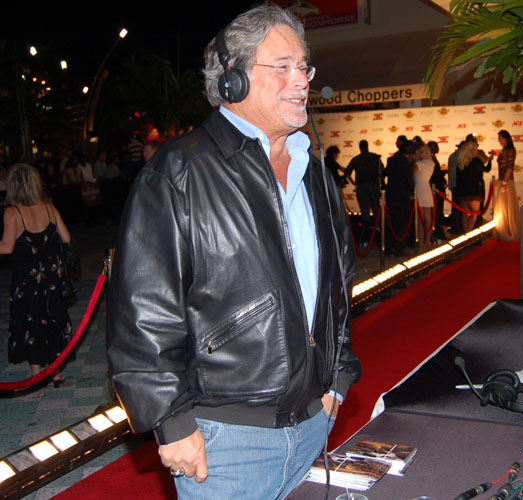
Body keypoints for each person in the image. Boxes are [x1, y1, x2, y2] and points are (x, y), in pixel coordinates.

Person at [106, 6, 362, 500]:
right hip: (225, 443)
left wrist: (339, 376)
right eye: (281, 66)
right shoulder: (179, 173)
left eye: (303, 67)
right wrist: (171, 420)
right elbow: (142, 313)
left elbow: (339, 284)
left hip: (315, 424)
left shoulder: (316, 171)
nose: (300, 81)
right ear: (233, 81)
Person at [0, 164, 72, 387]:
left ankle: (36, 372)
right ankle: (56, 372)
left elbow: (7, 247)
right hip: (51, 276)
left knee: (31, 320)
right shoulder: (50, 208)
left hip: (28, 278)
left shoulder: (13, 212)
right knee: (51, 317)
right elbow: (67, 238)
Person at [383, 140, 413, 256]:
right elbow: (409, 181)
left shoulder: (391, 161)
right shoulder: (406, 164)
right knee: (401, 224)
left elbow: (385, 174)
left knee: (391, 222)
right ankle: (399, 250)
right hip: (402, 196)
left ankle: (388, 248)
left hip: (391, 195)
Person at [490, 129, 520, 241]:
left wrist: (504, 182)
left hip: (506, 181)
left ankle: (509, 230)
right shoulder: (506, 150)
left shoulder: (510, 151)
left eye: (500, 138)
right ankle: (506, 228)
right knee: (504, 207)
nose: (499, 141)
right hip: (504, 180)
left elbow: (510, 167)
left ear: (505, 138)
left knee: (506, 206)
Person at [345, 139, 383, 227]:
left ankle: (367, 233)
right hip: (374, 186)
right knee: (376, 209)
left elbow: (347, 173)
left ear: (360, 147)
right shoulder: (375, 157)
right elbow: (382, 170)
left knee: (364, 211)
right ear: (367, 146)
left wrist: (354, 183)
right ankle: (378, 229)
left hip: (361, 186)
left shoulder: (356, 159)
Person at [456, 141, 490, 233]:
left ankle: (465, 232)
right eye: (475, 150)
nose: (476, 152)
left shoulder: (460, 162)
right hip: (474, 191)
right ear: (471, 150)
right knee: (474, 213)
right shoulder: (477, 162)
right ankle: (468, 232)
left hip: (463, 191)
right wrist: (490, 160)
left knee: (465, 213)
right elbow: (485, 170)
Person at [413, 142, 435, 252]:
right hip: (427, 188)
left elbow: (412, 178)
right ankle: (427, 242)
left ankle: (421, 243)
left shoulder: (418, 165)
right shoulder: (431, 163)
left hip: (419, 189)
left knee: (420, 219)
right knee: (428, 218)